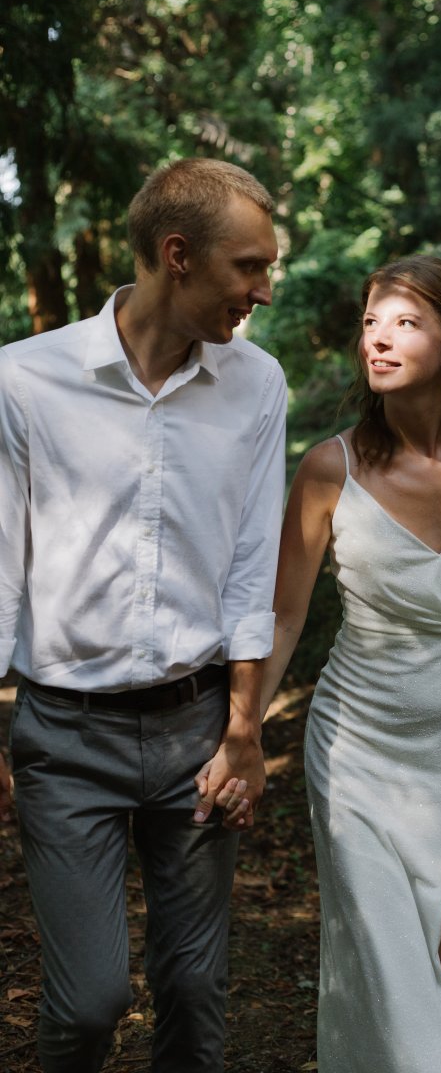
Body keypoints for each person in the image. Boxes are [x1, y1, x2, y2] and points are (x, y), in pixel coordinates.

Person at [0, 158, 287, 1073]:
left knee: (195, 996)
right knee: (90, 1003)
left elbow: (252, 567)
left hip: (196, 730)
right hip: (64, 737)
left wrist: (244, 729)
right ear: (177, 255)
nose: (264, 290)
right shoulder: (24, 380)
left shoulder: (258, 385)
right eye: (249, 266)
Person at [239, 254, 441, 1073]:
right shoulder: (330, 468)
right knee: (390, 967)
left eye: (405, 323)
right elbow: (284, 615)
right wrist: (242, 728)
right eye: (370, 323)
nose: (378, 339)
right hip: (358, 746)